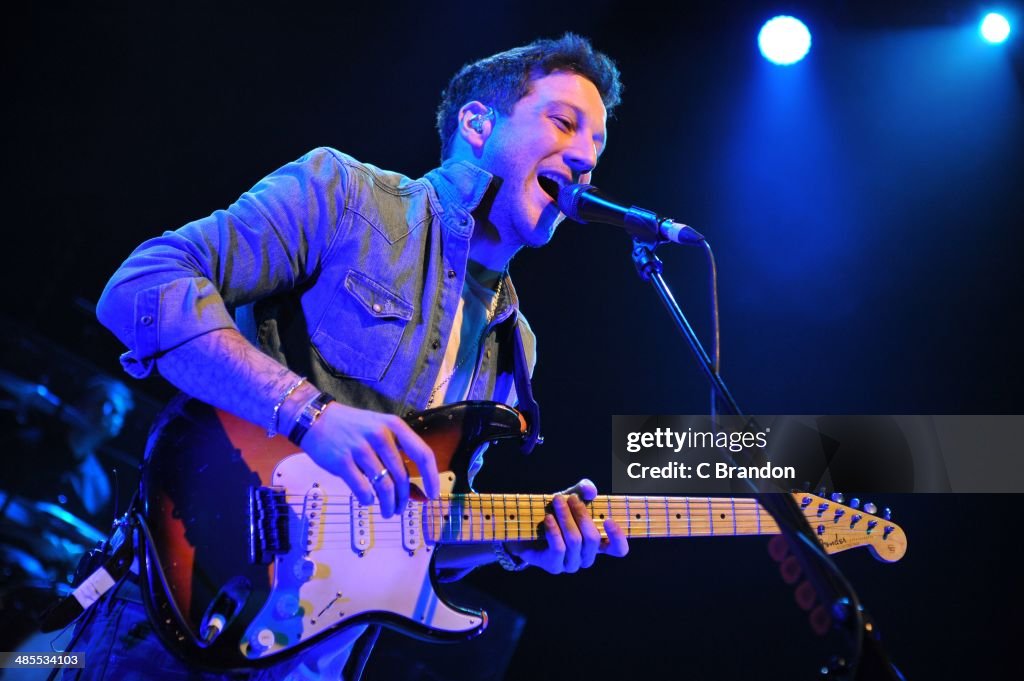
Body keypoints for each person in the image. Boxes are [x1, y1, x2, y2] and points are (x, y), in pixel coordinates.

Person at [75, 33, 629, 680]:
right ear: (478, 123)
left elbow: (414, 533)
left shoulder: (517, 343)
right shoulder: (347, 197)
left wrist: (516, 538)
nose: (586, 158)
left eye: (597, 147)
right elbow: (142, 287)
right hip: (184, 603)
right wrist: (312, 416)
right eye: (565, 122)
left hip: (318, 663)